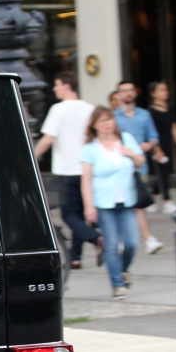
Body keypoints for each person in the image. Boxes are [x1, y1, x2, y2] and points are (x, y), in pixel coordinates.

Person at [34, 72, 101, 269]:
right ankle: (76, 258)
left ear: (66, 86)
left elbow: (48, 138)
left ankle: (96, 238)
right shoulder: (90, 109)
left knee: (68, 215)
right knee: (78, 215)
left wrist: (33, 156)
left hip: (67, 171)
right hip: (88, 170)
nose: (54, 89)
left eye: (57, 84)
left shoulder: (58, 109)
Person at [81, 106, 145, 300]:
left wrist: (131, 155)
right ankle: (117, 284)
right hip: (104, 203)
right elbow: (86, 179)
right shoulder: (90, 149)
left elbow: (141, 162)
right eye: (103, 121)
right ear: (94, 126)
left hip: (127, 200)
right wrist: (89, 206)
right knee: (111, 245)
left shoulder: (126, 139)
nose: (108, 124)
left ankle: (124, 269)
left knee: (132, 243)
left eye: (110, 120)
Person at [113, 81, 163, 255]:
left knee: (137, 205)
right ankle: (132, 239)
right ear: (118, 95)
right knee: (124, 205)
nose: (128, 93)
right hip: (118, 168)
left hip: (139, 167)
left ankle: (144, 239)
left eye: (131, 90)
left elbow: (153, 137)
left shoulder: (144, 115)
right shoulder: (113, 118)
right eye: (124, 91)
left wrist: (148, 146)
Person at [146, 81, 176, 216]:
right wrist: (156, 148)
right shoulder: (150, 112)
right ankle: (167, 201)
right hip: (156, 145)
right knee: (162, 172)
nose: (165, 92)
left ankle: (151, 199)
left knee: (165, 171)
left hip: (167, 143)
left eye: (166, 89)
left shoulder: (171, 109)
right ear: (153, 94)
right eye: (161, 90)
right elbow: (150, 131)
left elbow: (175, 128)